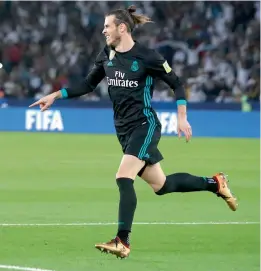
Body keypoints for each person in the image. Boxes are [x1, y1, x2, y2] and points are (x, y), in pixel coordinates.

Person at [29, 5, 238, 259]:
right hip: (124, 130)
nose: (103, 30)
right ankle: (215, 183)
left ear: (122, 28)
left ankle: (122, 241)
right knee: (162, 185)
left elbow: (177, 84)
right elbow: (87, 84)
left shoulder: (148, 57)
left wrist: (182, 118)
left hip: (145, 125)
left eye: (107, 26)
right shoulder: (107, 53)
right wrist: (55, 95)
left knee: (122, 176)